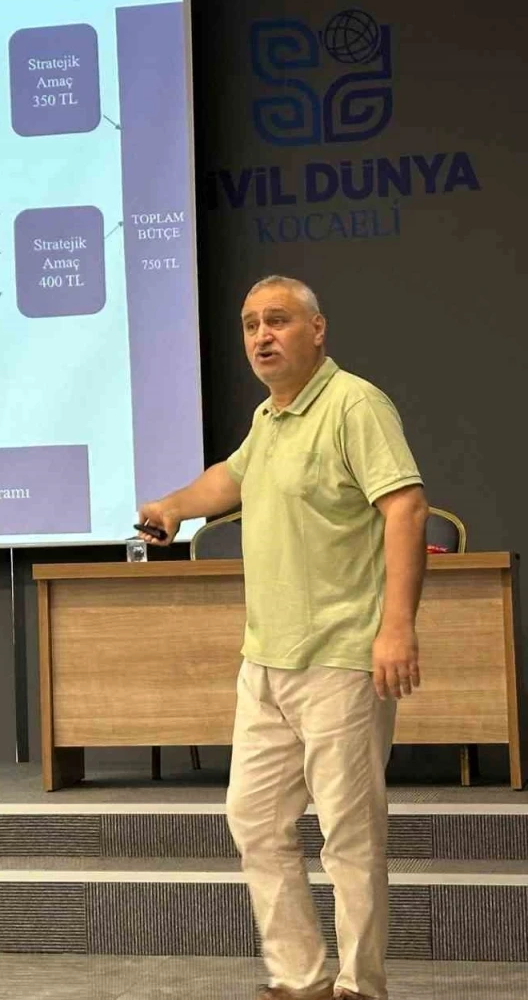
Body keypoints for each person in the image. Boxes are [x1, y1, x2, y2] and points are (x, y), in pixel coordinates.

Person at [137, 275, 429, 1000]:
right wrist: (174, 505)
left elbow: (407, 508)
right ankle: (301, 979)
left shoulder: (354, 405)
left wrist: (397, 626)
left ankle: (360, 985)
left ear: (317, 329)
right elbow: (229, 479)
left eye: (278, 320)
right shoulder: (270, 416)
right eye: (250, 325)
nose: (261, 336)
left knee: (349, 835)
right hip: (265, 663)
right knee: (255, 820)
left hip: (342, 657)